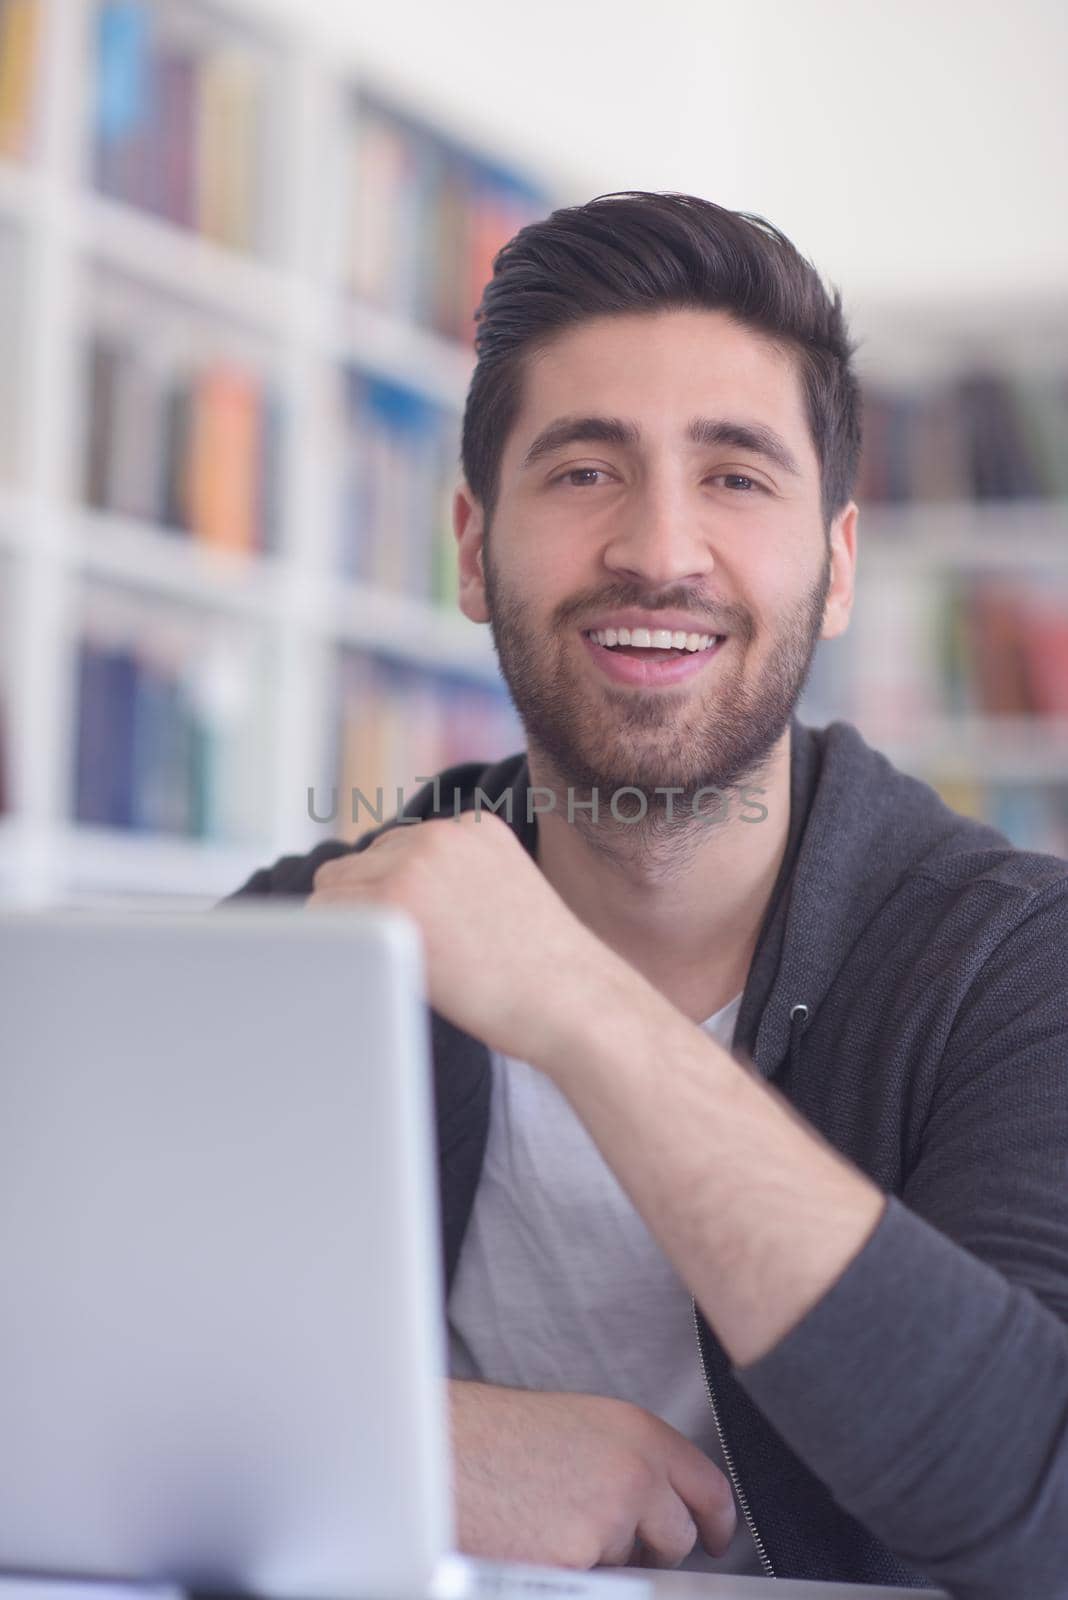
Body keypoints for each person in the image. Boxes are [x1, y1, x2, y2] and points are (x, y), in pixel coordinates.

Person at [221, 191, 1068, 1598]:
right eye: (583, 472)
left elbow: (1041, 1500)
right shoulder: (315, 935)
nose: (659, 549)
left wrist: (569, 1001)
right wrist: (421, 1447)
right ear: (472, 548)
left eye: (736, 476)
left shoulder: (1014, 965)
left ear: (839, 566)